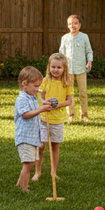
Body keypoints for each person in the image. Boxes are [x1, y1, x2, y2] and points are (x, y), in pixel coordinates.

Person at [34, 52, 73, 183]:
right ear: (49, 67)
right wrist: (44, 103)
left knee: (55, 145)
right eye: (53, 67)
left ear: (64, 69)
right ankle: (37, 172)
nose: (55, 70)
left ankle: (53, 172)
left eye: (59, 68)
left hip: (58, 119)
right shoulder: (45, 81)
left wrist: (57, 105)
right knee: (40, 146)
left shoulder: (67, 83)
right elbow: (41, 96)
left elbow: (69, 101)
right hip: (44, 117)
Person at [14, 66, 53, 191]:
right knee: (29, 163)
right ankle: (24, 188)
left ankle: (19, 184)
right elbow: (26, 115)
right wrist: (41, 109)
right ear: (25, 84)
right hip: (25, 137)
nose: (38, 89)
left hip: (32, 137)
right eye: (36, 86)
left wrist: (44, 104)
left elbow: (35, 109)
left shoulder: (31, 97)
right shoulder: (21, 99)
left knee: (30, 162)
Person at [59, 15, 93, 121]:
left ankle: (84, 114)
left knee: (83, 92)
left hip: (81, 69)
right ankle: (71, 114)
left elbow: (89, 51)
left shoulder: (84, 37)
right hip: (68, 70)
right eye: (70, 23)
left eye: (75, 23)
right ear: (67, 25)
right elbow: (61, 53)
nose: (72, 25)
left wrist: (89, 61)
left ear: (79, 25)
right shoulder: (65, 38)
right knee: (69, 92)